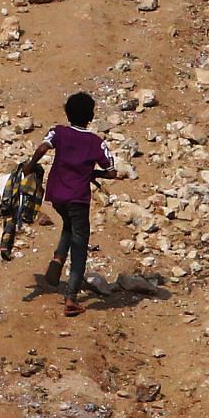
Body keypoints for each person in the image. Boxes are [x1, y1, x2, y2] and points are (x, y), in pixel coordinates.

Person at [28, 91, 122, 315]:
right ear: (90, 116)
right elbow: (112, 173)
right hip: (78, 197)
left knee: (68, 224)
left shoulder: (58, 132)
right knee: (80, 243)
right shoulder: (96, 143)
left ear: (67, 113)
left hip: (57, 194)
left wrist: (30, 165)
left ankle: (58, 257)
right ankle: (71, 297)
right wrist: (93, 174)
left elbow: (43, 148)